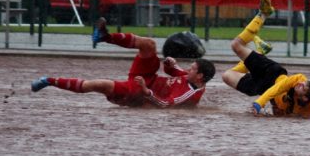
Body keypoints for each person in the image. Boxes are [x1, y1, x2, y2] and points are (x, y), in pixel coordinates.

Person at [30, 18, 216, 108]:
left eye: (192, 68)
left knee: (97, 84)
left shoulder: (189, 94)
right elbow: (175, 71)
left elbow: (166, 105)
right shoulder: (192, 78)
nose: (188, 69)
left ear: (199, 76)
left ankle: (48, 81)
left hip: (140, 92)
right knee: (149, 44)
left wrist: (145, 91)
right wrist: (169, 63)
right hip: (147, 78)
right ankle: (105, 36)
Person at [222, 0, 310, 118]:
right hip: (271, 73)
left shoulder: (308, 111)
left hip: (261, 88)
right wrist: (259, 103)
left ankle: (260, 51)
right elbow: (276, 89)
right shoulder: (298, 79)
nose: (302, 83)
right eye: (305, 83)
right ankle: (263, 14)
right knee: (236, 45)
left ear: (306, 98)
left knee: (226, 76)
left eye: (304, 87)